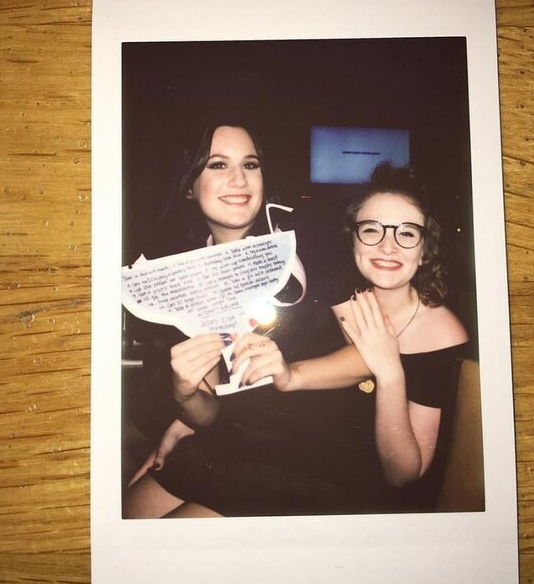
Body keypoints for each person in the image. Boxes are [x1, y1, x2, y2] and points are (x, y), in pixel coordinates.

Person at [123, 123, 368, 518]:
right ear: (189, 186)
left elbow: (370, 357)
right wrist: (184, 395)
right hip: (231, 441)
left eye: (250, 165)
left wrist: (290, 374)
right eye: (218, 165)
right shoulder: (188, 275)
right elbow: (209, 412)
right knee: (129, 517)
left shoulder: (308, 242)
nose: (239, 179)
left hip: (309, 452)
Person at [231, 163, 469, 510]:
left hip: (371, 500)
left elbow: (402, 475)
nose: (388, 247)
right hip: (319, 458)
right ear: (353, 239)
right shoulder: (350, 300)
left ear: (425, 249)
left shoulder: (442, 332)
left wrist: (389, 371)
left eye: (406, 233)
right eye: (371, 230)